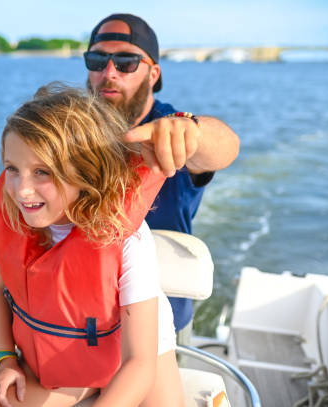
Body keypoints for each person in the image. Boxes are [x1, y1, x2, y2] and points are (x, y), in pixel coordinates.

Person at [0, 84, 184, 407]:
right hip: (64, 353)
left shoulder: (126, 238)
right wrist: (5, 361)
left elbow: (140, 365)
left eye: (42, 172)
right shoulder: (18, 221)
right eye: (12, 170)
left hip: (132, 351)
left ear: (84, 173)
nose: (22, 190)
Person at [85, 13, 240, 342]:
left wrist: (191, 131)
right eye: (97, 59)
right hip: (80, 314)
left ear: (153, 73)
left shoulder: (171, 129)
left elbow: (224, 146)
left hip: (160, 320)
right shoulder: (74, 130)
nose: (109, 73)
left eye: (126, 61)